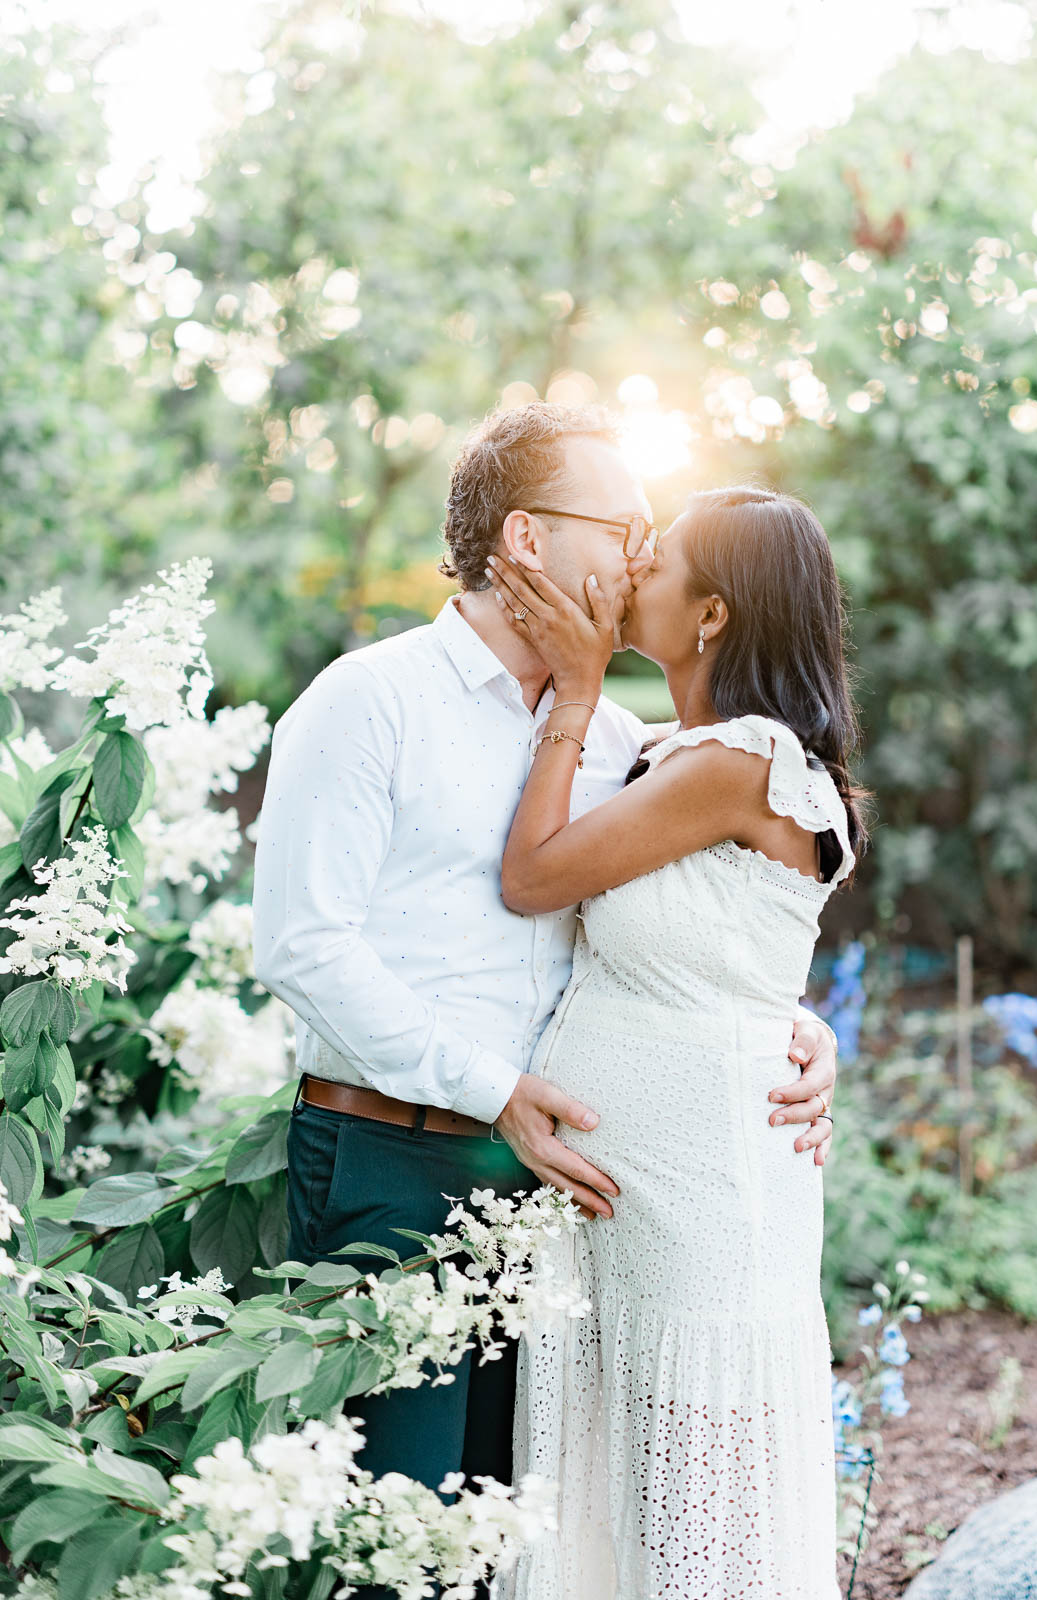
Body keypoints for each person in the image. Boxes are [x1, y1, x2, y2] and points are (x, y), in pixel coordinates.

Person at [250, 406, 840, 1600]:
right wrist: (495, 1092)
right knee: (394, 1545)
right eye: (619, 527)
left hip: (562, 1204)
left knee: (526, 1548)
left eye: (647, 540)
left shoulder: (620, 736)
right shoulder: (370, 702)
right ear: (524, 538)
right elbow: (303, 945)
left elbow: (700, 926)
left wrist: (796, 1024)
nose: (634, 556)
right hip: (390, 1160)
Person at [485, 485, 868, 1600]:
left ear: (710, 615)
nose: (628, 569)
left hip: (700, 1198)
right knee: (622, 1501)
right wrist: (801, 1022)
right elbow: (722, 955)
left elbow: (532, 878)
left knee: (695, 1516)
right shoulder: (669, 754)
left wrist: (576, 685)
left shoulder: (743, 760)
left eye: (655, 563)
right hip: (623, 1192)